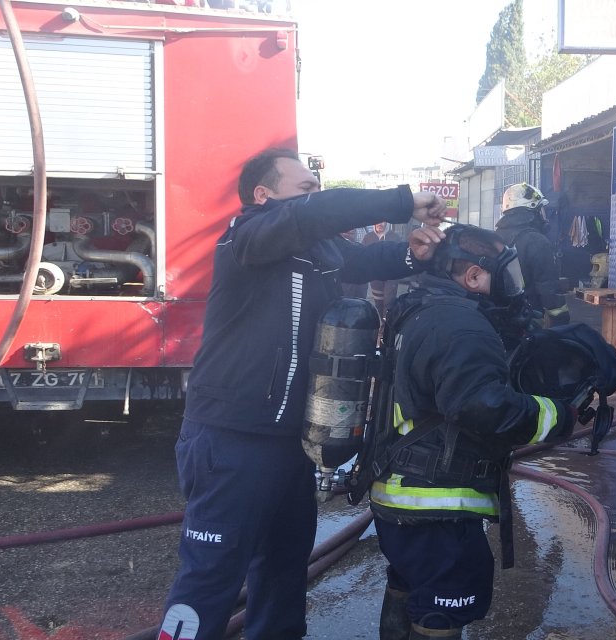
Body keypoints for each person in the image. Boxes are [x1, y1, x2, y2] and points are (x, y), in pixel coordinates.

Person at [158, 147, 447, 640]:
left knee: (283, 567)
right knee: (212, 576)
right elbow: (320, 212)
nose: (313, 196)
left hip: (294, 442)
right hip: (232, 437)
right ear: (263, 194)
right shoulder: (247, 236)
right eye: (303, 188)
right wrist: (401, 202)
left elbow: (361, 257)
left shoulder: (321, 249)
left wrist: (410, 253)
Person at [367, 224, 577, 639]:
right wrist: (558, 415)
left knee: (410, 583)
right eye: (506, 275)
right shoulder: (462, 326)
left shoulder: (419, 307)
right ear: (475, 276)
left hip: (401, 489)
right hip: (436, 500)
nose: (512, 287)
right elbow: (483, 407)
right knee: (442, 608)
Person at [494, 183, 570, 326]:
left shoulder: (495, 238)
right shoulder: (537, 241)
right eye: (541, 209)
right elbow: (548, 288)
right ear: (532, 211)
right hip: (527, 319)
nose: (543, 215)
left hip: (497, 318)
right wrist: (562, 323)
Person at [362, 221, 404, 317]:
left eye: (383, 221)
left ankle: (387, 325)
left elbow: (401, 255)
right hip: (375, 275)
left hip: (391, 275)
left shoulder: (395, 237)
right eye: (378, 221)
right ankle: (381, 323)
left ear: (387, 223)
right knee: (378, 302)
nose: (380, 224)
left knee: (389, 301)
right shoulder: (368, 237)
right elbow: (363, 255)